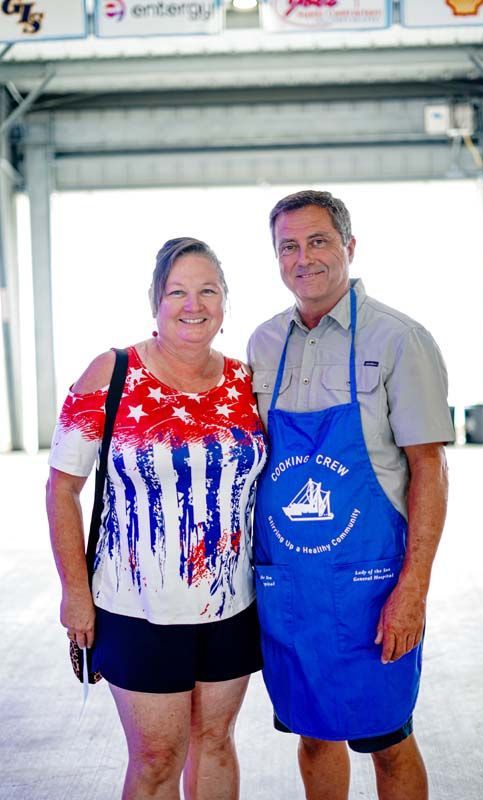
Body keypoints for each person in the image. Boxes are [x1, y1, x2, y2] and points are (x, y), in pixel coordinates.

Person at [247, 190, 455, 800]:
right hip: (291, 588)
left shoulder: (399, 339)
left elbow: (430, 469)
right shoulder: (262, 345)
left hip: (373, 587)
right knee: (312, 736)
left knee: (388, 740)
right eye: (289, 246)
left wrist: (413, 590)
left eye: (318, 241)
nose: (303, 258)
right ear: (277, 257)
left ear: (349, 246)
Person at [46, 237, 267, 800]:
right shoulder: (111, 372)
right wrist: (75, 592)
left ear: (225, 302)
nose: (193, 304)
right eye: (178, 292)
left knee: (216, 740)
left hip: (231, 603)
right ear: (155, 301)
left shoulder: (247, 383)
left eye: (207, 291)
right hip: (134, 605)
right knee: (155, 758)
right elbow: (62, 488)